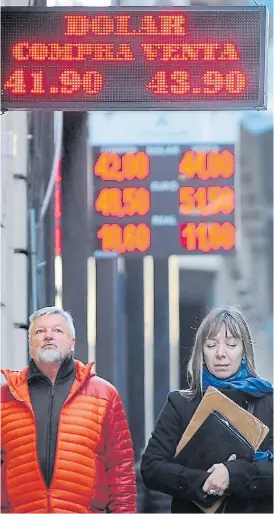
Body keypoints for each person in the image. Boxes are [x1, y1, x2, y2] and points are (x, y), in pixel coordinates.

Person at [1, 306, 137, 513]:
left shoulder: (104, 394)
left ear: (72, 343)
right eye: (40, 331)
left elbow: (121, 470)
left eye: (57, 331)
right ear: (30, 345)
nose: (48, 336)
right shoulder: (5, 396)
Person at [140, 307, 273, 513]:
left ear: (244, 352)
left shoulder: (268, 402)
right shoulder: (180, 404)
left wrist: (232, 475)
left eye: (231, 345)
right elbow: (151, 468)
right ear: (201, 352)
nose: (221, 353)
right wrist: (204, 482)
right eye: (211, 345)